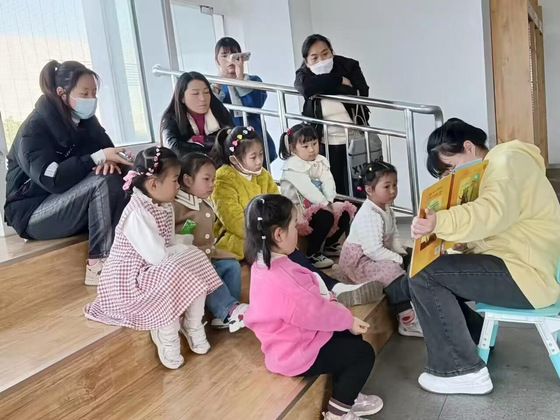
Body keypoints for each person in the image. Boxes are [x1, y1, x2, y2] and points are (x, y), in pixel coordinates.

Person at [386, 118, 560, 394]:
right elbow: (505, 224)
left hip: (526, 275)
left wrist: (440, 221)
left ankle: (460, 369)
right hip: (523, 267)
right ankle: (474, 337)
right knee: (427, 270)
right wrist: (466, 244)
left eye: (452, 167)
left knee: (424, 275)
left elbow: (492, 212)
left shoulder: (505, 162)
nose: (453, 176)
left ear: (468, 147)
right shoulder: (504, 163)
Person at [243, 194, 384, 420]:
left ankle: (348, 395)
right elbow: (315, 312)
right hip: (297, 352)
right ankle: (337, 415)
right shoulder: (283, 278)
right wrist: (347, 319)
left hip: (288, 343)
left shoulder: (264, 264)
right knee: (362, 354)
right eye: (294, 225)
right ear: (279, 234)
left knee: (350, 336)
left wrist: (344, 320)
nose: (298, 230)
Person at [84, 147, 224, 369]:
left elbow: (168, 243)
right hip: (129, 282)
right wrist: (182, 251)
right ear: (153, 185)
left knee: (197, 257)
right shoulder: (138, 213)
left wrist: (186, 251)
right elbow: (157, 256)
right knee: (172, 269)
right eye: (175, 180)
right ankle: (166, 332)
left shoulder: (162, 205)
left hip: (151, 269)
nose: (178, 186)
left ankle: (192, 323)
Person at [210, 126, 381, 307]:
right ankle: (331, 289)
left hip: (270, 233)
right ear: (234, 160)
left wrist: (278, 228)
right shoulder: (222, 180)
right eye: (253, 157)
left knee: (291, 253)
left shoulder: (262, 175)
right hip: (243, 239)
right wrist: (271, 233)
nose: (260, 161)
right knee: (287, 254)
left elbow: (277, 205)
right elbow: (235, 222)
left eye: (261, 154)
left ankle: (330, 289)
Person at [4, 60, 131, 286]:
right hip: (32, 212)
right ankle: (98, 265)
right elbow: (53, 179)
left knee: (124, 177)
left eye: (94, 93)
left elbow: (109, 154)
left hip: (68, 203)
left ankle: (132, 253)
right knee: (102, 181)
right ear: (62, 93)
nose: (91, 99)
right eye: (84, 93)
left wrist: (110, 161)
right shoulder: (33, 129)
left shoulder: (86, 122)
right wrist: (96, 159)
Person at [336, 161, 422, 337]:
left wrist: (400, 253)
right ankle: (406, 319)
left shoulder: (386, 209)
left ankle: (416, 299)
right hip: (359, 263)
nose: (393, 191)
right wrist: (396, 259)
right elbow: (373, 250)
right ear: (369, 190)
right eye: (387, 186)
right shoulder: (369, 214)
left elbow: (394, 235)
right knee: (392, 270)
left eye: (395, 185)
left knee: (412, 255)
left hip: (374, 256)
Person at [294, 34, 382, 196]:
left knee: (359, 187)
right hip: (324, 142)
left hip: (354, 140)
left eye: (325, 54)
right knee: (333, 189)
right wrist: (338, 79)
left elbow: (361, 92)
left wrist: (321, 86)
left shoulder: (349, 65)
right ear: (306, 61)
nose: (321, 60)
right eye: (314, 57)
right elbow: (306, 89)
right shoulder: (304, 74)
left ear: (332, 52)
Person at [173, 152, 248, 332]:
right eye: (206, 179)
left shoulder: (204, 202)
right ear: (188, 180)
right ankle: (228, 310)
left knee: (231, 265)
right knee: (208, 274)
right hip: (191, 264)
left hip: (209, 255)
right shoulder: (178, 206)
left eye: (213, 180)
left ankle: (227, 311)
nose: (211, 184)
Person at [279, 123, 356, 269]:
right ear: (293, 148)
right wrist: (324, 204)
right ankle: (312, 253)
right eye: (305, 146)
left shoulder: (320, 161)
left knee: (344, 212)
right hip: (298, 209)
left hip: (321, 203)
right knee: (325, 216)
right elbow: (307, 189)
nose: (311, 149)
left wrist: (329, 200)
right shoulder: (292, 167)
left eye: (314, 144)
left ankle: (329, 245)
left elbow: (328, 180)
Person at [212, 37, 277, 165]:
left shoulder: (254, 80)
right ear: (217, 60)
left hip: (254, 132)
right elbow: (212, 109)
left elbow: (255, 105)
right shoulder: (214, 86)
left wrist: (240, 79)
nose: (230, 60)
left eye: (234, 55)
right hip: (230, 137)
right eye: (224, 56)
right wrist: (218, 82)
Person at [160, 71, 233, 158]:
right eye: (195, 94)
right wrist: (208, 148)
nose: (203, 98)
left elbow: (232, 138)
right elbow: (174, 148)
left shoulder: (218, 110)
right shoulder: (170, 118)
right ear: (182, 97)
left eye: (206, 92)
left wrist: (202, 140)